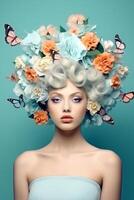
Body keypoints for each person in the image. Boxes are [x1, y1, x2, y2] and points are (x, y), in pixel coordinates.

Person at [7, 14, 130, 200]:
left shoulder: (107, 162)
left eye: (76, 99)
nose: (66, 108)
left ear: (90, 102)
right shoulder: (25, 163)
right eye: (56, 99)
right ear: (44, 103)